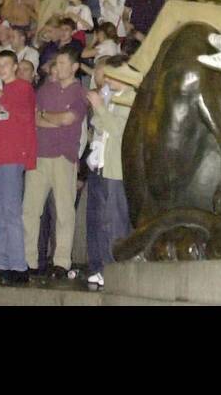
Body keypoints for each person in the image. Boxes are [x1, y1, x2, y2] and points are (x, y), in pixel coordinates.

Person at [23, 49, 87, 282]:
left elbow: (69, 119)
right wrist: (55, 118)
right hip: (39, 155)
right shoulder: (45, 90)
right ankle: (28, 260)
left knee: (64, 212)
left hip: (64, 156)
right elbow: (35, 118)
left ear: (74, 67)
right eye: (56, 63)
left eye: (62, 63)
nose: (57, 67)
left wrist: (47, 117)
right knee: (30, 210)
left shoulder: (79, 92)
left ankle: (61, 262)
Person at [84, 56, 134, 288]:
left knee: (116, 219)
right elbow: (100, 124)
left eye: (112, 75)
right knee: (104, 218)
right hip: (104, 163)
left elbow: (117, 129)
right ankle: (105, 266)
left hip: (117, 166)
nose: (107, 79)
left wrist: (99, 107)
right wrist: (101, 108)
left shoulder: (129, 99)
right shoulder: (114, 98)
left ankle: (116, 269)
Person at [0, 50, 36, 286]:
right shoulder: (4, 92)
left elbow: (25, 116)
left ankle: (19, 265)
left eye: (7, 64)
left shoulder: (22, 88)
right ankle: (1, 263)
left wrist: (0, 98)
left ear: (15, 66)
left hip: (12, 156)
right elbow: (5, 119)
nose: (2, 68)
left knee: (11, 212)